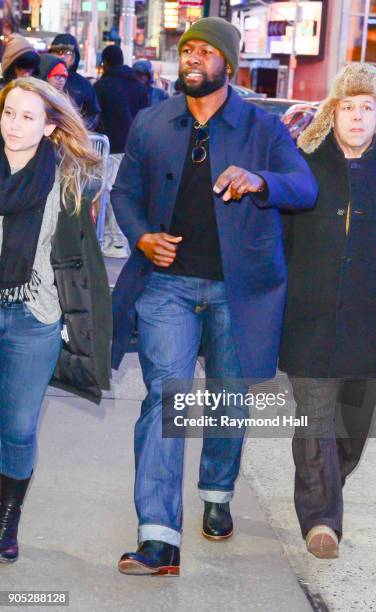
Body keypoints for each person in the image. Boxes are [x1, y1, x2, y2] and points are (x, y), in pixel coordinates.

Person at [111, 17, 317, 575]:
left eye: (205, 50)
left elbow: (305, 186)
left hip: (239, 290)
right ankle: (158, 539)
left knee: (229, 397)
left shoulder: (262, 128)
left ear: (229, 63)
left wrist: (262, 181)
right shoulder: (153, 122)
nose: (193, 58)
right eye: (188, 50)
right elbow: (124, 194)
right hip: (167, 287)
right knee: (164, 401)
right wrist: (142, 236)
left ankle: (218, 493)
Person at [278, 63, 376, 559]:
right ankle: (321, 523)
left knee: (350, 434)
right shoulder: (302, 169)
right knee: (314, 419)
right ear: (331, 114)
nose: (357, 117)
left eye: (367, 108)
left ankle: (323, 484)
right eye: (348, 107)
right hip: (307, 320)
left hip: (370, 325)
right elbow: (278, 242)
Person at [0, 77, 112, 563]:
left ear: (49, 127)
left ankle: (8, 518)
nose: (14, 126)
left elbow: (78, 256)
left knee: (19, 428)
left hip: (34, 315)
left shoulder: (67, 178)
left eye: (28, 117)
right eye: (8, 113)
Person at [94, 45, 148, 258]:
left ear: (105, 62)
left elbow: (96, 118)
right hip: (134, 150)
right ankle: (123, 241)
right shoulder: (137, 86)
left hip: (110, 149)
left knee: (109, 195)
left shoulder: (102, 86)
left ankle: (114, 242)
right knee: (128, 196)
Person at [49, 34, 101, 131]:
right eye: (57, 51)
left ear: (74, 56)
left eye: (67, 52)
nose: (62, 56)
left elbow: (93, 113)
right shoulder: (41, 78)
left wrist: (80, 130)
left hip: (71, 140)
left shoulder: (83, 84)